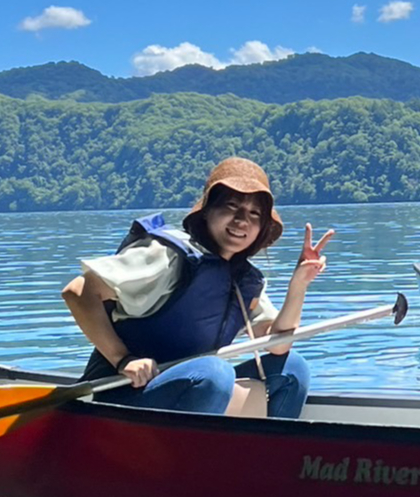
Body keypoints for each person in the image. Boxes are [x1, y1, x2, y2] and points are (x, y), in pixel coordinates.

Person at [62, 156, 333, 419]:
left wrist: (298, 285)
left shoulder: (242, 280)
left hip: (185, 393)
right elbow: (78, 291)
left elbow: (278, 345)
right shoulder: (167, 256)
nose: (242, 221)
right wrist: (123, 359)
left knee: (292, 368)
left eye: (254, 213)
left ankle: (268, 456)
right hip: (121, 398)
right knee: (215, 373)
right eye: (231, 206)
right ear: (207, 212)